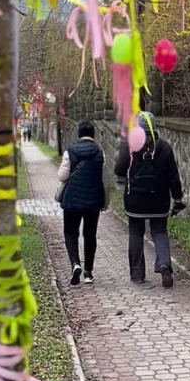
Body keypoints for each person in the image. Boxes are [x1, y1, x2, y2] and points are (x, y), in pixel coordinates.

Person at [113, 112, 185, 287]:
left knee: (136, 233)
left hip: (135, 200)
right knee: (159, 232)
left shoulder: (129, 146)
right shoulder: (165, 148)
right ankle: (164, 265)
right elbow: (173, 177)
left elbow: (119, 170)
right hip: (159, 200)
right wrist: (177, 198)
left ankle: (137, 274)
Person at [57, 121, 107, 286]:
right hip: (93, 201)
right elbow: (103, 177)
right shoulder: (100, 153)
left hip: (72, 200)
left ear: (79, 134)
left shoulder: (69, 151)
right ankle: (88, 273)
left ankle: (75, 263)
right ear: (93, 134)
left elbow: (62, 176)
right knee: (90, 235)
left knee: (71, 233)